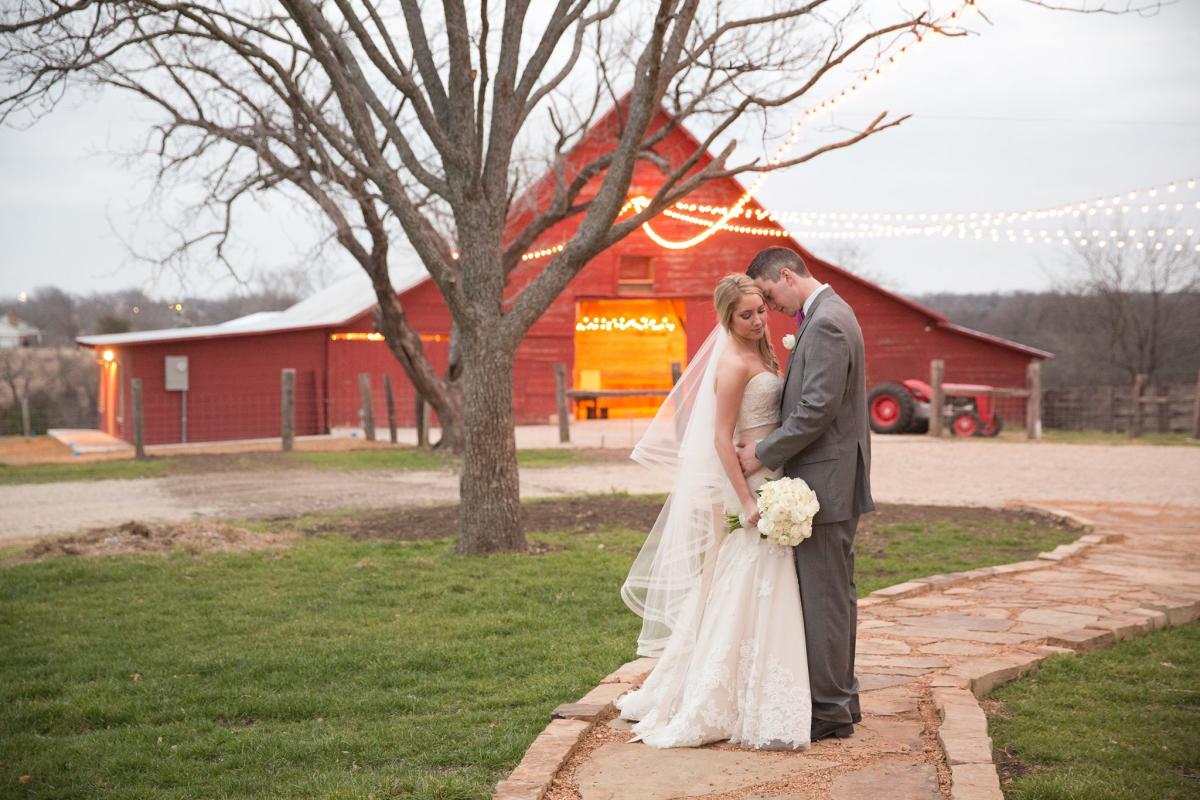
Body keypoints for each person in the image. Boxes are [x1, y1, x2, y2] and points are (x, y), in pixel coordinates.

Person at [615, 273, 811, 750]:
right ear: (728, 318)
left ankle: (759, 683)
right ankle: (721, 691)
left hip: (772, 471)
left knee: (759, 577)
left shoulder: (763, 354)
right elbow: (721, 438)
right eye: (746, 315)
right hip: (750, 483)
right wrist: (746, 501)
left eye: (760, 311)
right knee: (747, 573)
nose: (758, 321)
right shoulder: (731, 364)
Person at [739, 246, 875, 742]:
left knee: (826, 599)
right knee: (833, 596)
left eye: (769, 293)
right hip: (829, 479)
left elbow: (817, 408)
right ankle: (842, 700)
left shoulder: (828, 323)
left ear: (786, 275)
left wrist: (763, 453)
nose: (769, 306)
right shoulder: (825, 316)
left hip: (828, 483)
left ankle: (831, 712)